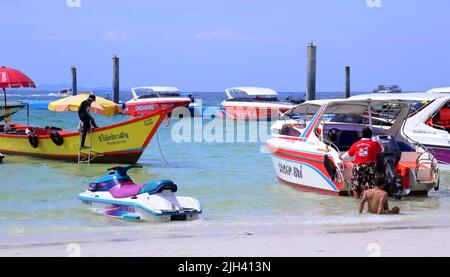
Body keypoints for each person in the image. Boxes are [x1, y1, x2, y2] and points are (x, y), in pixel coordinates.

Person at [342, 127, 382, 199]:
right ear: (371, 135)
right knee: (368, 184)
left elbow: (348, 155)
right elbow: (382, 150)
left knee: (356, 184)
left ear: (362, 135)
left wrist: (340, 158)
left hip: (358, 165)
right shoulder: (375, 144)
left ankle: (356, 201)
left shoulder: (356, 144)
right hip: (370, 166)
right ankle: (366, 200)